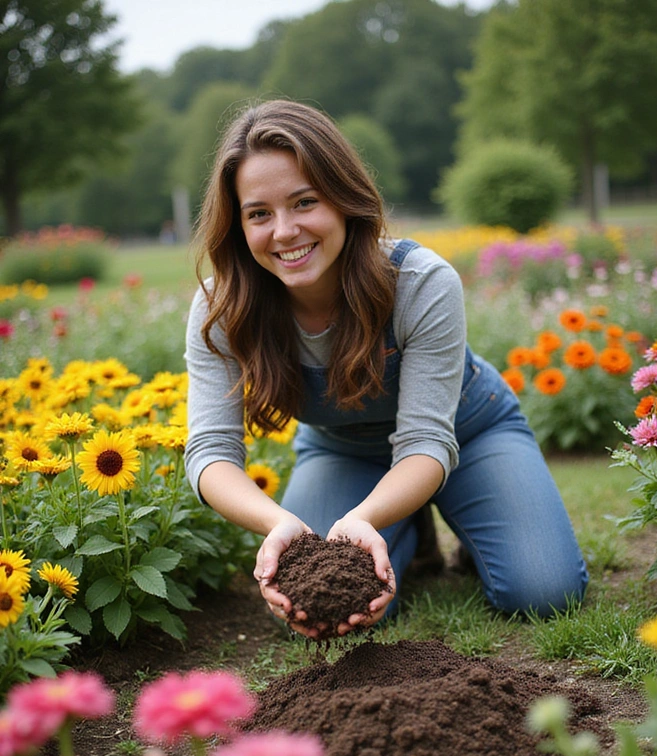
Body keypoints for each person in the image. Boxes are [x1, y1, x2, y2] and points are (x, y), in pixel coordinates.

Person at [185, 99, 588, 640]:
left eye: (304, 202)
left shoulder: (420, 282)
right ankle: (412, 533)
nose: (284, 231)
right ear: (237, 225)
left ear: (344, 199)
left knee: (543, 592)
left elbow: (426, 438)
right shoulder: (222, 310)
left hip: (467, 434)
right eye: (259, 213)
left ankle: (459, 515)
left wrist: (364, 519)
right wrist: (280, 524)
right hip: (343, 450)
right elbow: (210, 452)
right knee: (322, 608)